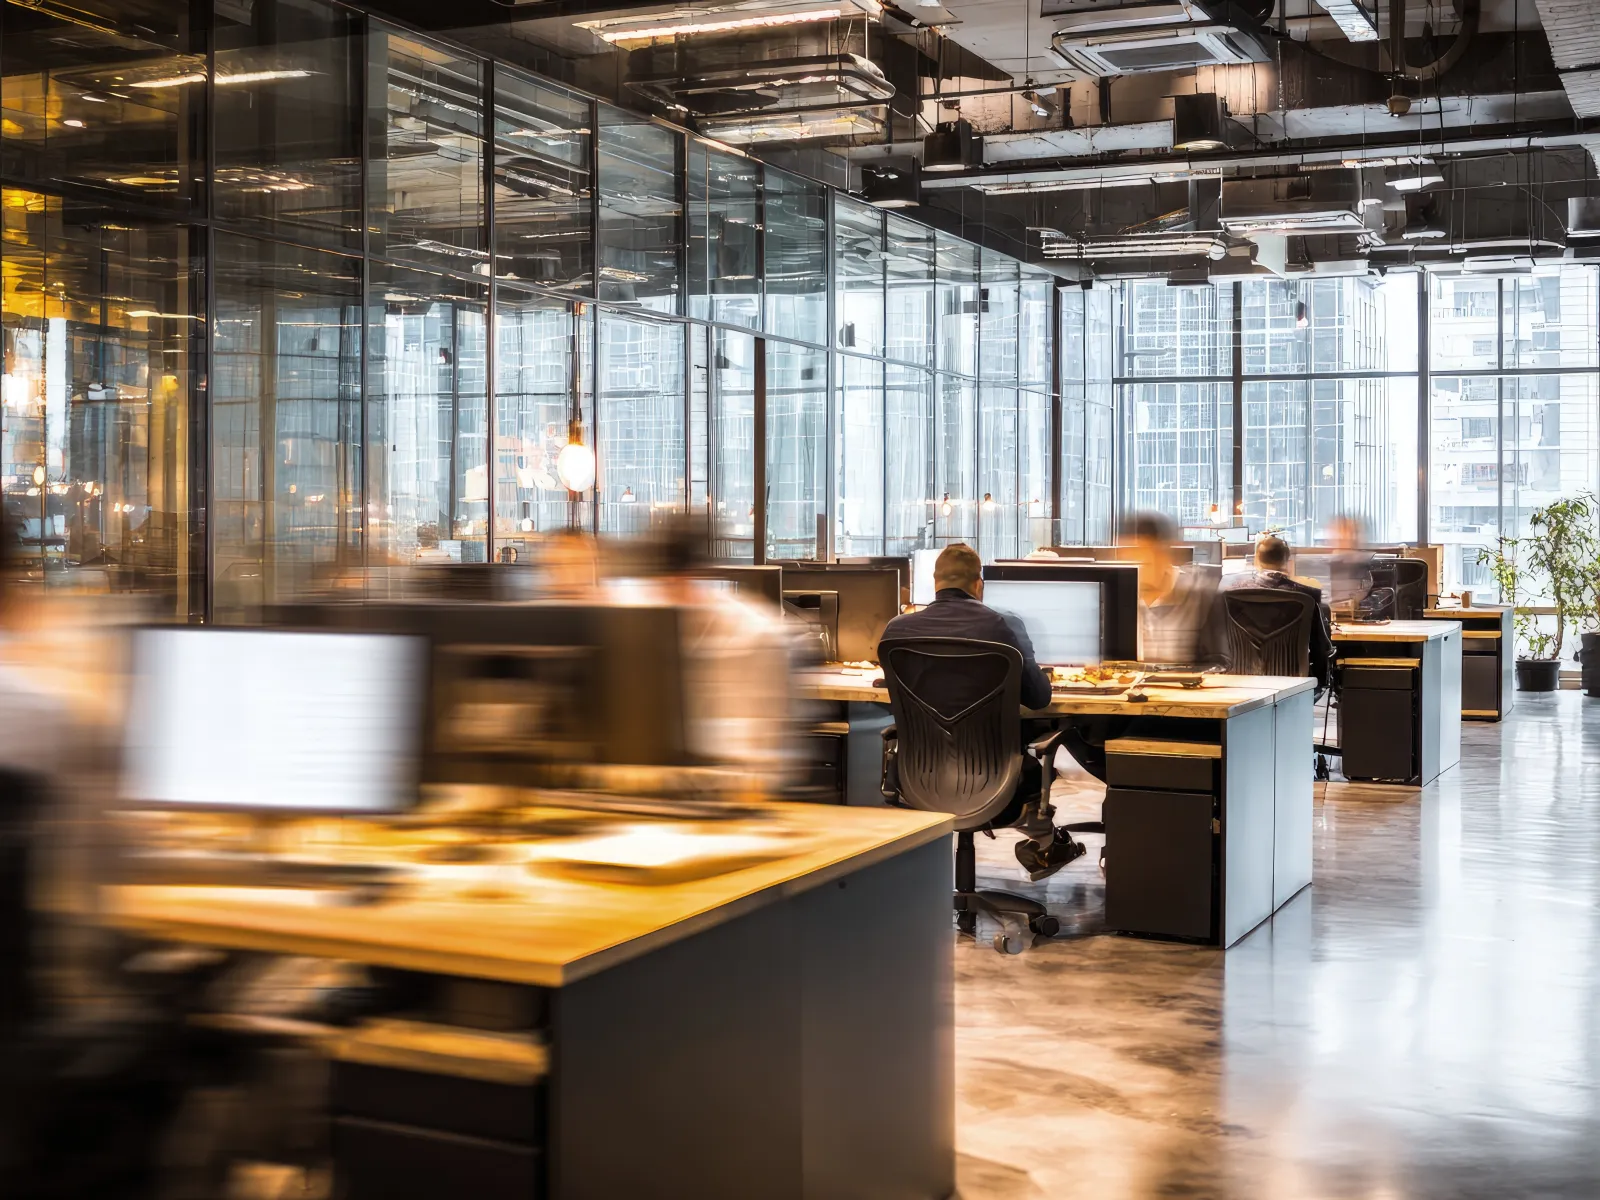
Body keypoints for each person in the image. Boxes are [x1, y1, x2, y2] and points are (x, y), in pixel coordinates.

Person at [879, 544, 1079, 880]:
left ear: (934, 582)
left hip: (919, 775)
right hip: (996, 778)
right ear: (979, 584)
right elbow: (1039, 698)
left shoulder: (897, 630)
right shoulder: (1005, 625)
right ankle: (1045, 839)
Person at [1221, 533, 1334, 692]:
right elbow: (1320, 647)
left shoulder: (1231, 595)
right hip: (1293, 686)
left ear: (1257, 560)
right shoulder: (1308, 596)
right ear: (1287, 560)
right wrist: (1321, 682)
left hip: (1242, 684)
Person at [1123, 512, 1224, 666]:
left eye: (1144, 560)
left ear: (1165, 554)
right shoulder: (1116, 601)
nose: (1136, 567)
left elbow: (1220, 666)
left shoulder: (1200, 598)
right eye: (1129, 558)